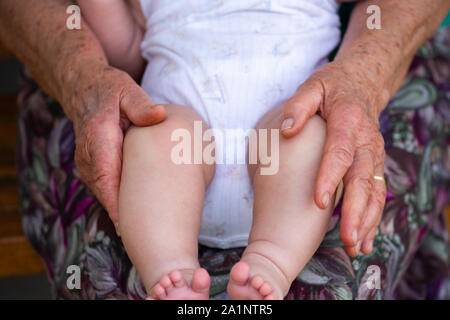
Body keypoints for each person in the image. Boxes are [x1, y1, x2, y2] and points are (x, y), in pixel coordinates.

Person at [0, 0, 448, 299]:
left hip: (281, 128)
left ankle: (271, 261)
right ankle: (170, 270)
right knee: (151, 134)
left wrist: (361, 75)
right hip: (180, 136)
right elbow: (128, 51)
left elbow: (361, 33)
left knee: (310, 138)